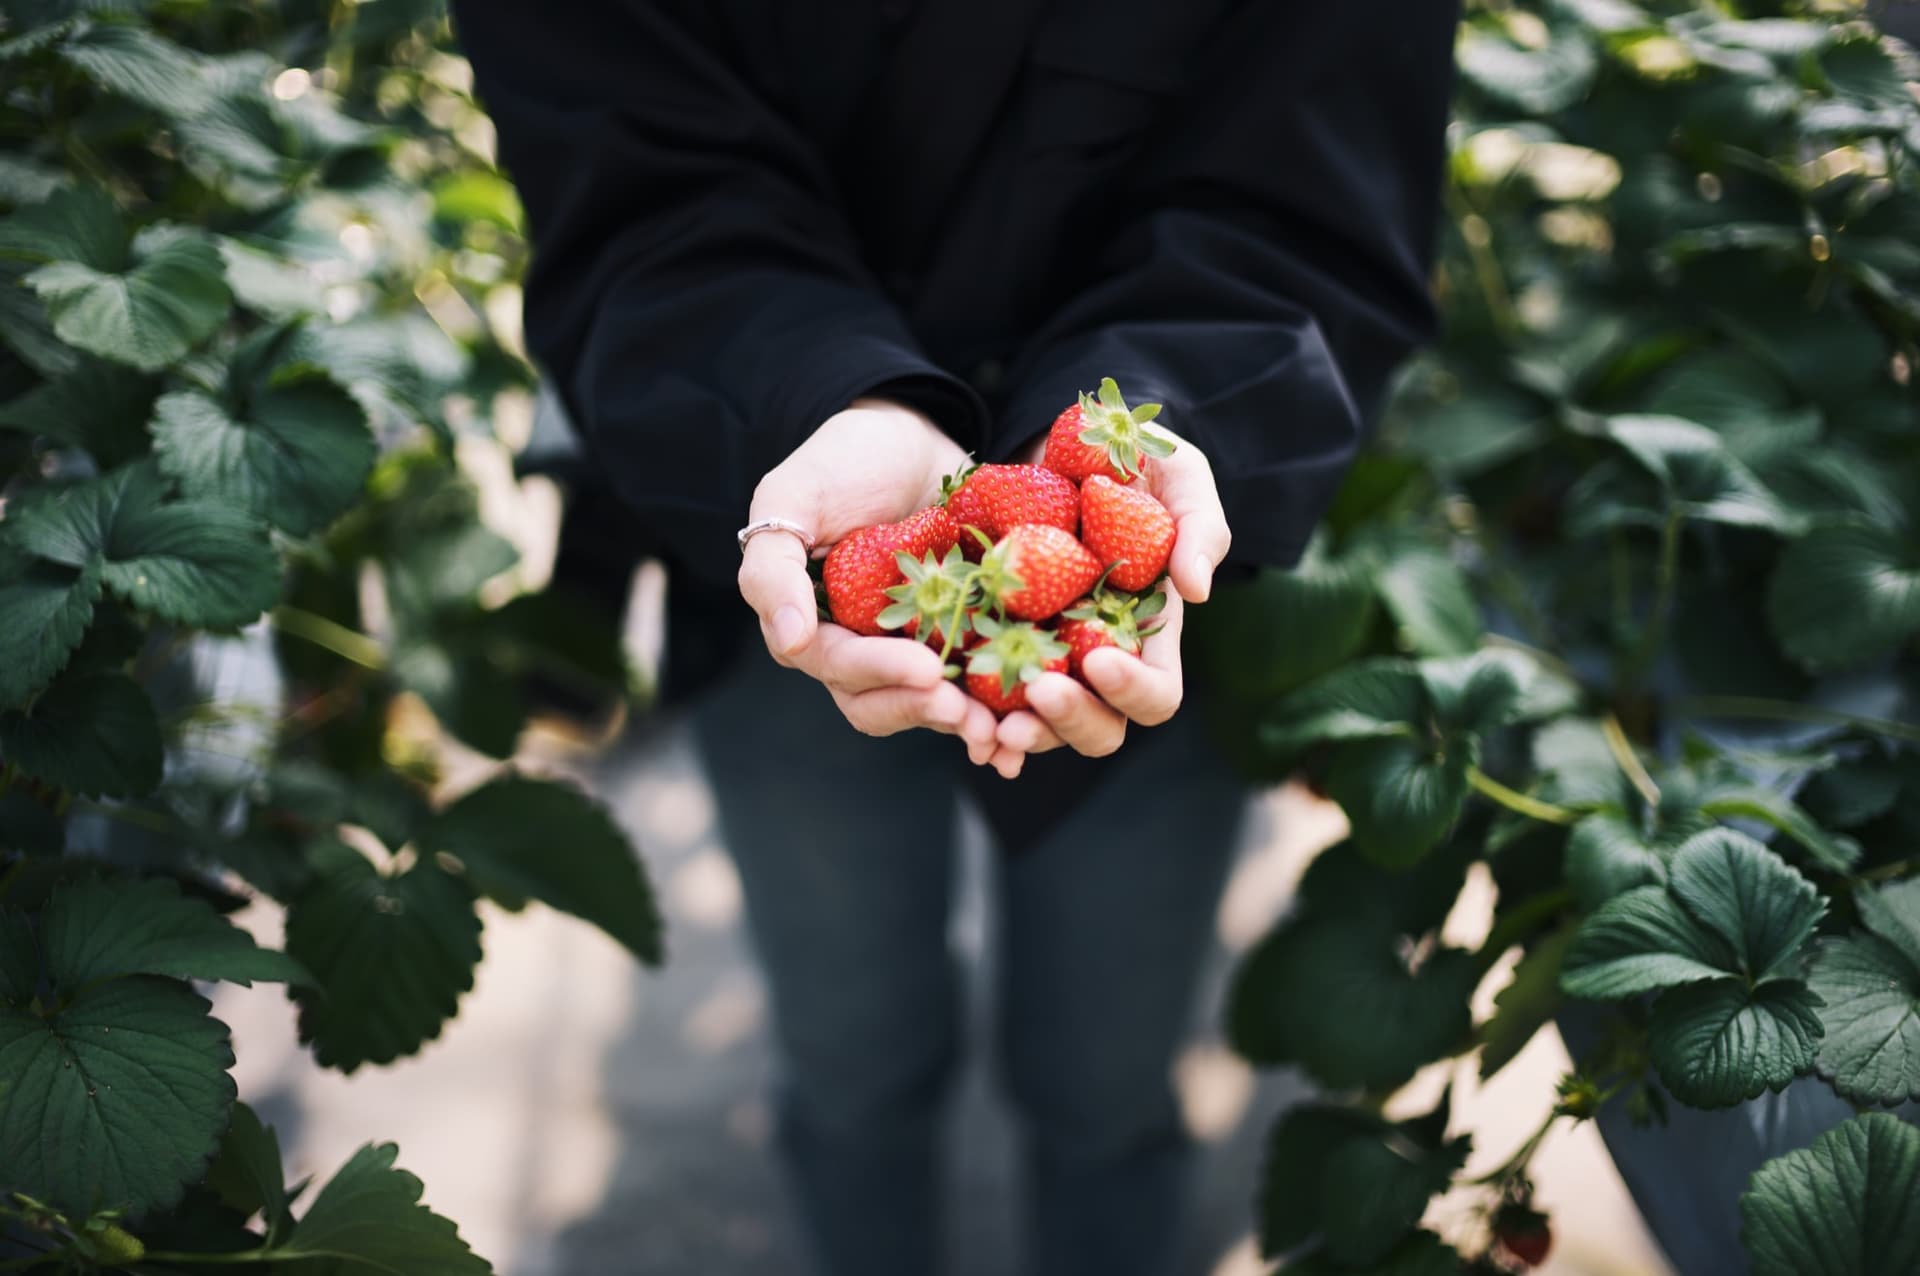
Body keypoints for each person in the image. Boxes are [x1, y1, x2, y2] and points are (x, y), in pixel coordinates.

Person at [454, 3, 1458, 1273]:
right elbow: (635, 169)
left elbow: (1311, 184)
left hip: (1161, 532)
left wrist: (1141, 427)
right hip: (774, 497)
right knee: (851, 1058)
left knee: (1105, 1077)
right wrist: (827, 388)